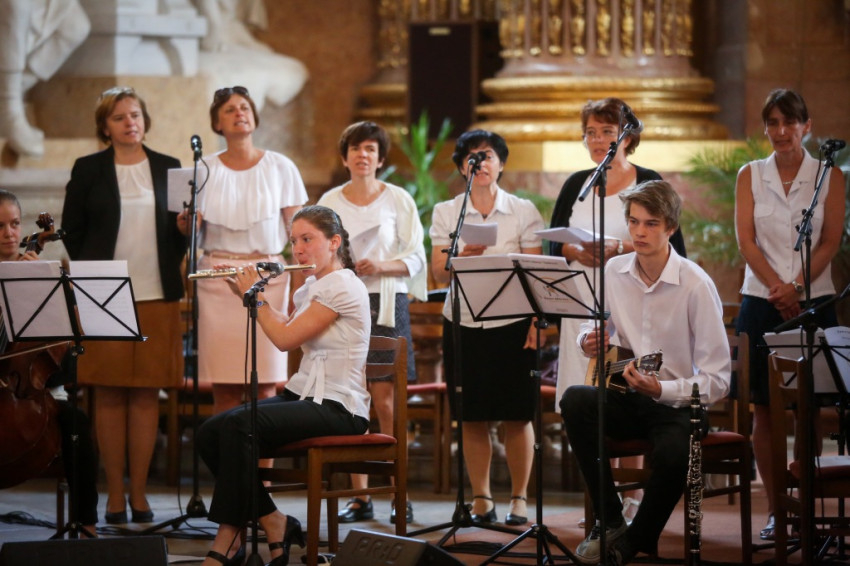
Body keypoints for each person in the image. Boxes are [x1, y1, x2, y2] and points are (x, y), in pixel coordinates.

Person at [561, 180, 730, 565]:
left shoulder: (696, 284)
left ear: (671, 227)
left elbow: (719, 380)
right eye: (634, 222)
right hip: (628, 397)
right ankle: (610, 519)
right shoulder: (613, 270)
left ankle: (633, 541)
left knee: (674, 452)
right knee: (575, 400)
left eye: (651, 224)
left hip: (678, 406)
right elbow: (594, 324)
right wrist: (587, 340)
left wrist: (662, 390)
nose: (639, 232)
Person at [196, 205, 371, 566]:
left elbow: (284, 340)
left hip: (339, 407)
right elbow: (284, 323)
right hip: (305, 394)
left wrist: (255, 295)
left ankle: (227, 539)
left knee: (240, 424)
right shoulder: (313, 286)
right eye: (294, 241)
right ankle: (273, 519)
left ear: (334, 242)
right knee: (210, 433)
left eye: (307, 239)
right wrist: (241, 291)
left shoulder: (343, 284)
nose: (298, 250)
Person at [548, 97, 687, 523]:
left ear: (626, 137)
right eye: (590, 132)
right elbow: (552, 246)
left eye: (607, 132)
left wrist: (618, 247)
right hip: (580, 306)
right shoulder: (577, 184)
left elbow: (675, 246)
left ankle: (635, 499)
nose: (597, 140)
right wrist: (575, 250)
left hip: (635, 305)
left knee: (627, 394)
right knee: (586, 404)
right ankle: (601, 502)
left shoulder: (647, 181)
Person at [61, 87, 186, 525]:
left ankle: (140, 494)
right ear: (105, 127)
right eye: (119, 117)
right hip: (105, 292)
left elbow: (180, 235)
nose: (130, 122)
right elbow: (72, 230)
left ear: (145, 121)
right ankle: (114, 496)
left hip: (157, 293)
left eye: (135, 115)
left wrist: (186, 227)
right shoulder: (88, 168)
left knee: (146, 394)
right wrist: (92, 276)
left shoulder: (170, 166)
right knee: (109, 394)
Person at [734, 88, 845, 541]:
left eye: (790, 122)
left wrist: (796, 287)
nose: (781, 131)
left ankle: (805, 505)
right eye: (773, 123)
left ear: (807, 126)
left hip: (814, 299)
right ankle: (777, 508)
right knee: (764, 409)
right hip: (761, 300)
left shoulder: (828, 175)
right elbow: (745, 240)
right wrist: (777, 290)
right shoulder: (750, 174)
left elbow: (830, 240)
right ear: (766, 128)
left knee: (809, 409)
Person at [430, 129, 544, 526]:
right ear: (463, 168)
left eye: (489, 156)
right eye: (473, 157)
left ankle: (518, 499)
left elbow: (535, 273)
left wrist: (536, 322)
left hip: (513, 324)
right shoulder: (448, 212)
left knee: (517, 414)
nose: (481, 163)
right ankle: (481, 498)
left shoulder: (523, 210)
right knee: (471, 415)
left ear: (501, 164)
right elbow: (437, 272)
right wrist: (461, 255)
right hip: (462, 321)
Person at [318, 121, 426, 525]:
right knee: (349, 396)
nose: (362, 155)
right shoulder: (329, 201)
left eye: (370, 149)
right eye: (355, 149)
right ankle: (359, 495)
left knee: (385, 400)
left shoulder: (398, 199)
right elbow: (315, 252)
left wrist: (380, 265)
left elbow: (416, 255)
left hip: (385, 302)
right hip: (341, 303)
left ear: (380, 159)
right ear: (344, 157)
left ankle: (400, 491)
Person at [183, 85, 308, 415]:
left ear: (254, 117)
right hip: (218, 280)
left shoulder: (281, 166)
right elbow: (190, 231)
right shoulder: (202, 169)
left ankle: (261, 451)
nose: (239, 113)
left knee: (264, 385)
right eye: (230, 109)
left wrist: (299, 289)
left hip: (267, 278)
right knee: (223, 386)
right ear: (217, 123)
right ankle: (228, 450)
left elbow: (299, 235)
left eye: (245, 107)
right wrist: (185, 222)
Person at [0, 189, 99, 535]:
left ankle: (87, 523)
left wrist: (41, 286)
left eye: (14, 224)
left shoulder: (42, 274)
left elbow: (70, 343)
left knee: (77, 424)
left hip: (29, 390)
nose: (9, 233)